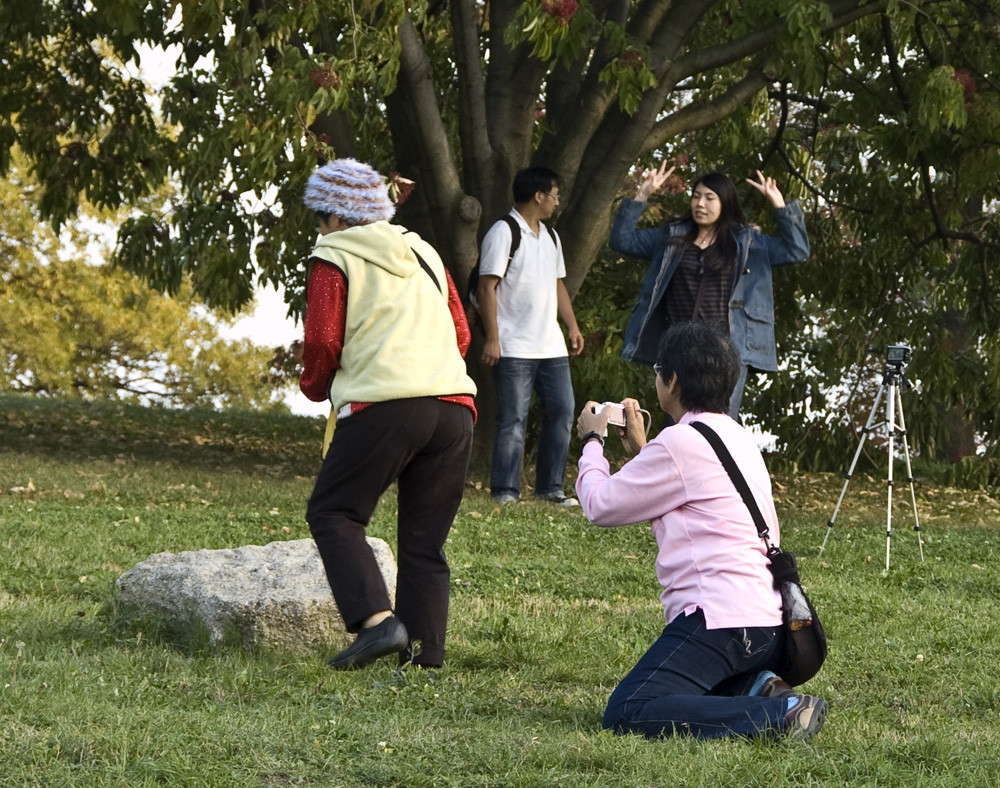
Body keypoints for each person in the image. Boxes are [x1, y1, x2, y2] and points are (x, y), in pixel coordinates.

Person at [574, 322, 828, 740]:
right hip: (769, 624)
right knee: (688, 688)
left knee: (629, 709)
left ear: (671, 381)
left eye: (659, 369)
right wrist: (643, 450)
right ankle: (755, 687)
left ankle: (777, 715)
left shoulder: (677, 444)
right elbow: (690, 485)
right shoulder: (736, 437)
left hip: (724, 622)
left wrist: (591, 440)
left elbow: (600, 505)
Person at [299, 158, 477, 670]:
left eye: (319, 216)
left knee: (334, 513)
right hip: (454, 409)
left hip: (387, 405)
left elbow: (324, 339)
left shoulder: (334, 257)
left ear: (334, 215)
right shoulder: (423, 250)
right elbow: (460, 333)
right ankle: (425, 655)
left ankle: (379, 624)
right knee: (425, 539)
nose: (319, 227)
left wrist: (317, 387)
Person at [609, 164, 810, 419]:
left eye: (709, 198)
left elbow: (797, 250)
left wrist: (780, 205)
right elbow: (621, 241)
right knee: (679, 426)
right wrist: (643, 194)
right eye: (696, 196)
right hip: (680, 347)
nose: (700, 204)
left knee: (718, 424)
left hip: (726, 350)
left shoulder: (747, 242)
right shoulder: (672, 236)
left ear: (724, 203)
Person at [477, 166, 584, 505]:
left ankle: (550, 488)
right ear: (539, 196)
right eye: (554, 194)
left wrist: (572, 326)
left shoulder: (551, 236)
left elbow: (558, 284)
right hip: (514, 345)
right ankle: (505, 490)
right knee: (513, 420)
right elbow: (486, 286)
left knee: (563, 412)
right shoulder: (504, 232)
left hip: (550, 345)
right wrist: (493, 339)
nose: (557, 201)